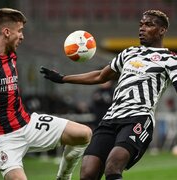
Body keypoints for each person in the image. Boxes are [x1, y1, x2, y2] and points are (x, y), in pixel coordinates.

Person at [40, 10, 177, 179]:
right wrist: (63, 78)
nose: (142, 28)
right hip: (110, 119)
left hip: (138, 118)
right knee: (87, 173)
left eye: (148, 25)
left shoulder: (170, 59)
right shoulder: (129, 53)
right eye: (141, 24)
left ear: (162, 30)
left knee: (113, 166)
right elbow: (100, 76)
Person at [0, 8, 92, 180]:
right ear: (6, 32)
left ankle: (63, 178)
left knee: (83, 134)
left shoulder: (11, 53)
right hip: (2, 138)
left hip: (27, 124)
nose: (22, 36)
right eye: (19, 31)